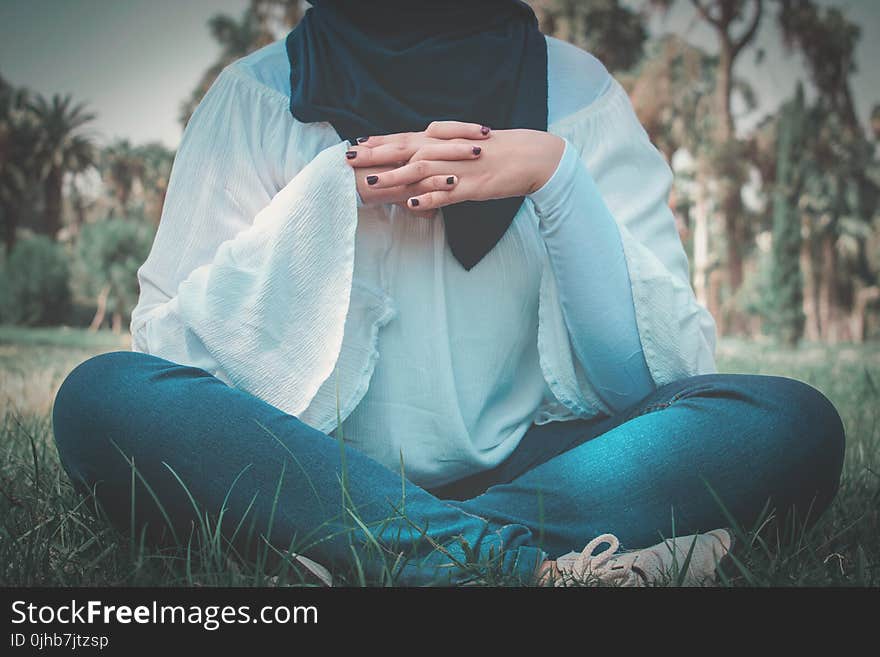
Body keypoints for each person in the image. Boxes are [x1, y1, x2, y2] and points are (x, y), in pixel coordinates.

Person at [51, 1, 846, 587]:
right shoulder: (255, 95)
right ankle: (518, 569)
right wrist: (329, 196)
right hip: (304, 468)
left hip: (540, 468)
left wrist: (554, 175)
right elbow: (174, 359)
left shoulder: (581, 95)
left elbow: (648, 383)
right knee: (102, 396)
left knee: (788, 423)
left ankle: (365, 553)